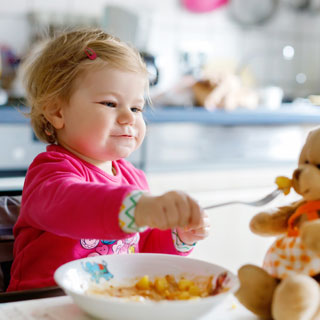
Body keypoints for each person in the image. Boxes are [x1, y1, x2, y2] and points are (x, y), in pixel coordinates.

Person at [7, 28, 210, 292]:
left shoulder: (134, 179)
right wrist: (139, 208)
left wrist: (178, 236)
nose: (129, 117)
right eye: (110, 104)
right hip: (43, 305)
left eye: (136, 108)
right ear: (57, 111)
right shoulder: (49, 174)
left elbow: (143, 251)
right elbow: (73, 203)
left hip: (108, 301)